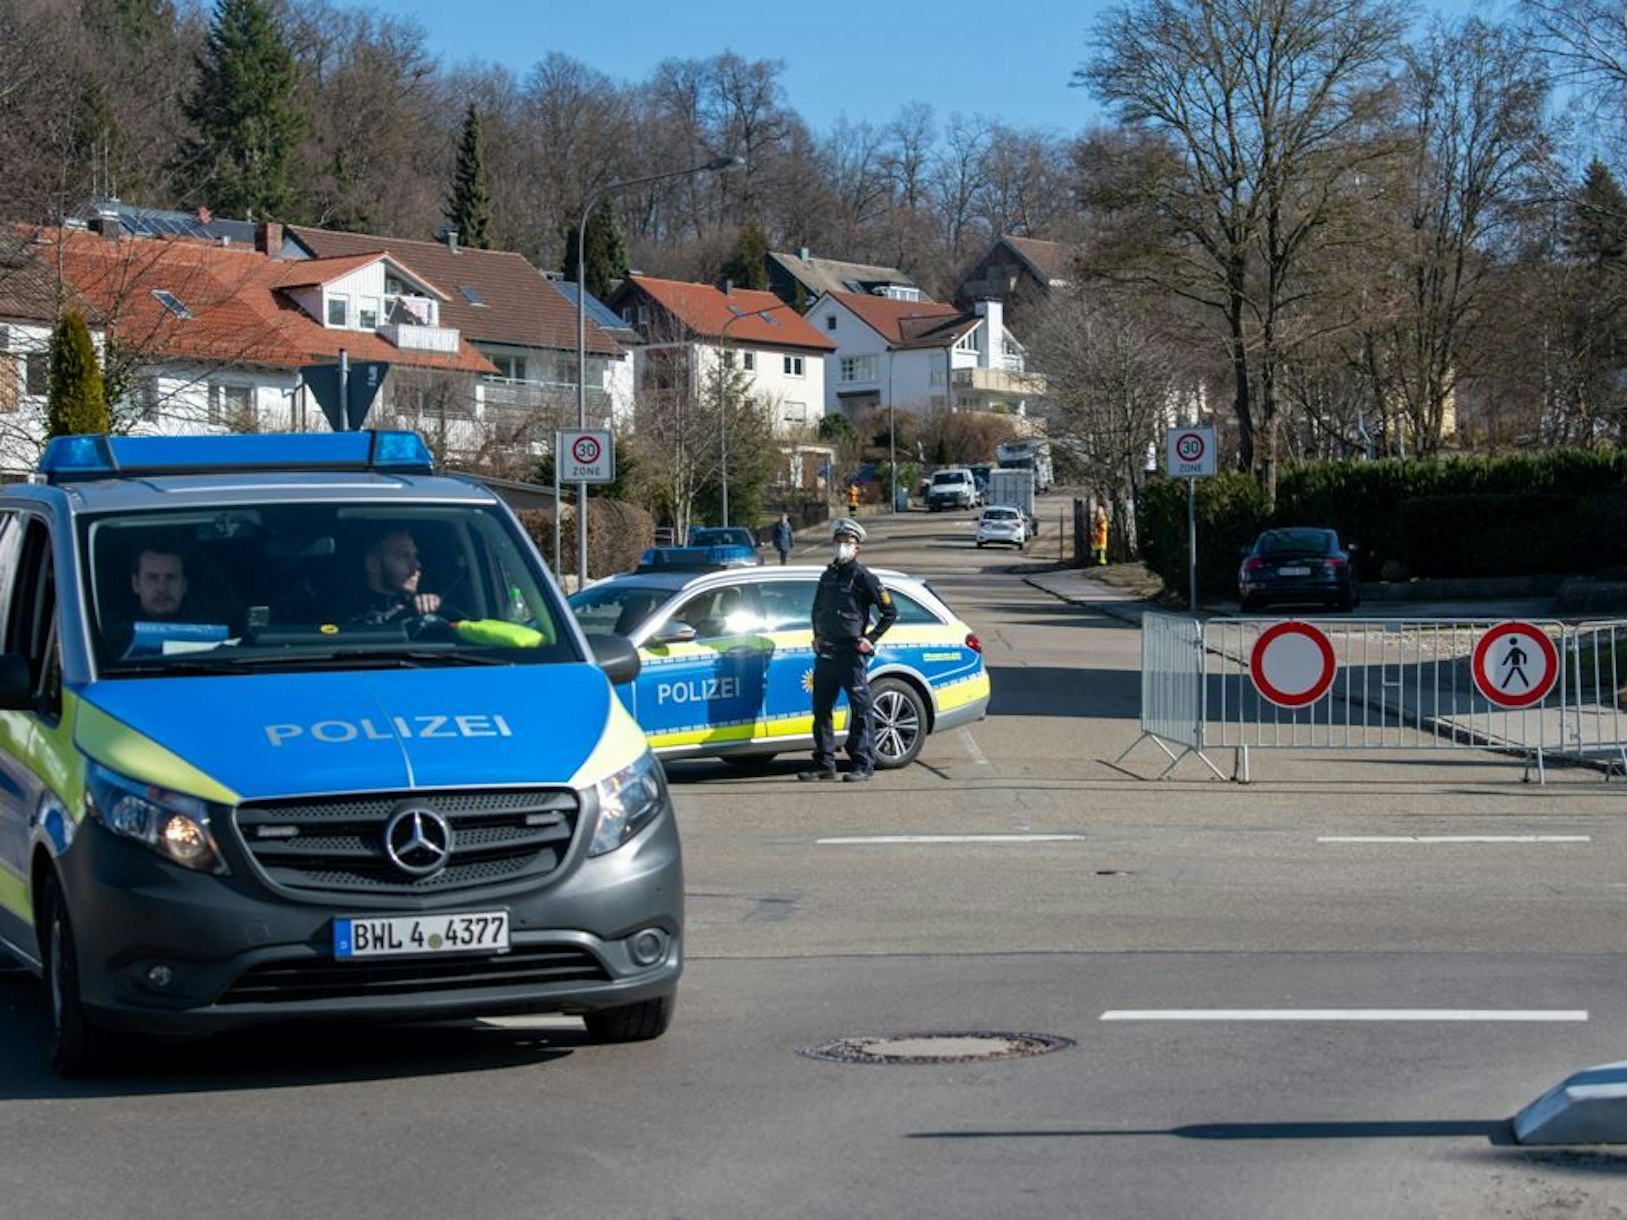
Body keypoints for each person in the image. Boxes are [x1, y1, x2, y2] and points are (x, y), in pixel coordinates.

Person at [799, 517, 898, 783]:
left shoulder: (864, 577)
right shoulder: (828, 575)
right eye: (840, 541)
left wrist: (871, 638)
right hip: (827, 652)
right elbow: (816, 609)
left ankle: (863, 764)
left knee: (860, 709)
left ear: (857, 547)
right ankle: (824, 763)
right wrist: (816, 635)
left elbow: (890, 612)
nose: (843, 546)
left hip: (851, 654)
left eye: (849, 542)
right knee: (821, 709)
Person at [348, 528, 453, 624]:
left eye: (414, 556)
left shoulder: (418, 608)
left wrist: (433, 607)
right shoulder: (347, 618)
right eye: (403, 556)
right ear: (373, 565)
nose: (416, 565)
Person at [131, 548, 189, 620]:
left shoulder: (205, 626)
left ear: (184, 585)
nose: (162, 589)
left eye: (171, 578)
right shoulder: (113, 628)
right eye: (152, 578)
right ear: (136, 584)